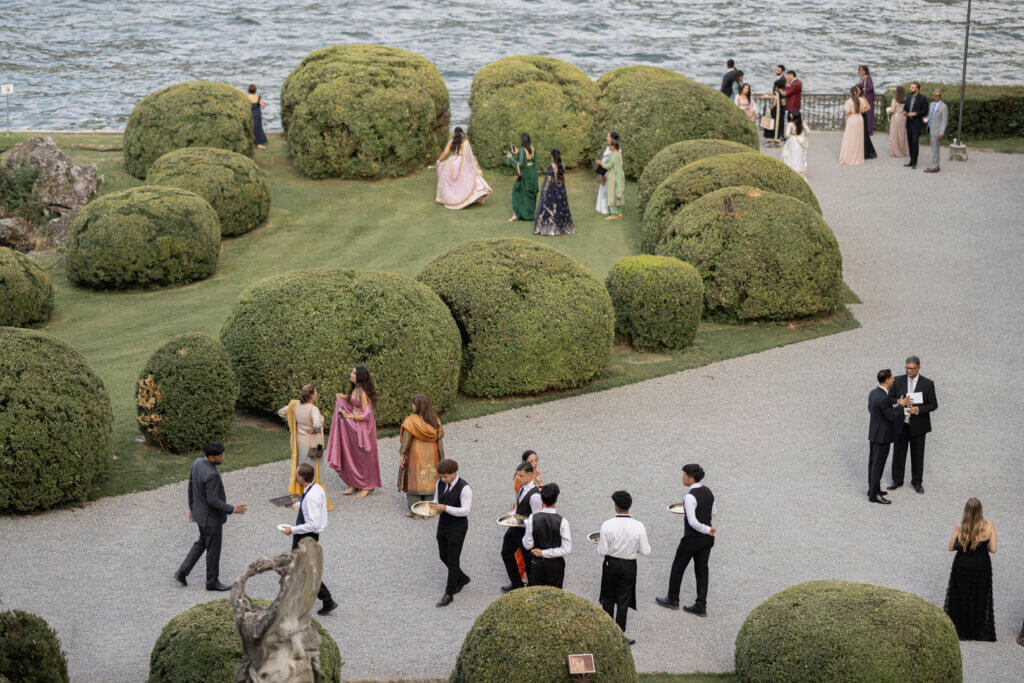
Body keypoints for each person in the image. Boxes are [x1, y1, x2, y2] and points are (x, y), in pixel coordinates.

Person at [174, 442, 246, 590]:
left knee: (201, 543)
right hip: (211, 519)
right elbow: (213, 501)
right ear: (212, 457)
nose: (223, 457)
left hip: (200, 515)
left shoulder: (197, 463)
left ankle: (182, 572)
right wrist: (233, 509)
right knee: (213, 550)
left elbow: (191, 485)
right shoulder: (212, 474)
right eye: (220, 456)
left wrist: (192, 507)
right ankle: (212, 582)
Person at [656, 464, 716, 616]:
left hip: (692, 539)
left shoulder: (689, 497)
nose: (682, 478)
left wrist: (705, 529)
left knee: (678, 567)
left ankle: (673, 599)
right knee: (702, 571)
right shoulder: (709, 491)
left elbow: (693, 522)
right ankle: (701, 605)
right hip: (707, 540)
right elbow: (713, 511)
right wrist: (708, 529)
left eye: (684, 476)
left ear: (691, 478)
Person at [280, 463, 338, 615]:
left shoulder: (311, 496)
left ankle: (323, 599)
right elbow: (307, 505)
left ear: (301, 478)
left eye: (297, 474)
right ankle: (321, 599)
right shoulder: (315, 488)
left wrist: (291, 530)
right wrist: (294, 505)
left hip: (305, 537)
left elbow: (313, 524)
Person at [597, 490, 650, 645]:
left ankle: (607, 633)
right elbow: (645, 550)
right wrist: (633, 548)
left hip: (611, 564)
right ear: (630, 506)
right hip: (629, 565)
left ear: (615, 507)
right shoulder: (638, 526)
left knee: (608, 598)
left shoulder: (607, 525)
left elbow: (602, 551)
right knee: (623, 599)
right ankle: (620, 634)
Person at [944, 498, 997, 641]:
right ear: (980, 510)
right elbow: (993, 549)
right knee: (980, 595)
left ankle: (961, 627)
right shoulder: (989, 526)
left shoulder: (960, 527)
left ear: (966, 511)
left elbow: (950, 547)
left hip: (962, 565)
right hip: (982, 566)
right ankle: (976, 629)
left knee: (961, 595)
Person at [326, 366, 381, 498]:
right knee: (353, 454)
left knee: (364, 456)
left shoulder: (363, 393)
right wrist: (344, 397)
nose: (351, 374)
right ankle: (355, 482)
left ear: (360, 377)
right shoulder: (355, 389)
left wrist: (348, 416)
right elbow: (354, 402)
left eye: (354, 373)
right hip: (354, 424)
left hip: (363, 427)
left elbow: (366, 414)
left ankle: (368, 486)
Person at [887, 356, 937, 494]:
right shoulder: (897, 381)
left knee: (918, 455)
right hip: (901, 424)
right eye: (907, 368)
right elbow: (889, 398)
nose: (909, 371)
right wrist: (899, 402)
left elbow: (933, 404)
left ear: (918, 368)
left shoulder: (927, 384)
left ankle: (917, 482)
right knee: (898, 454)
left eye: (912, 368)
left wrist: (918, 409)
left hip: (919, 426)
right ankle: (897, 480)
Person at [278, 384, 332, 510]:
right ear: (311, 395)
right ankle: (315, 496)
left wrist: (294, 422)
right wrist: (315, 429)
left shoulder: (295, 405)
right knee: (316, 468)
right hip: (316, 443)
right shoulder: (313, 409)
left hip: (301, 441)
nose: (317, 394)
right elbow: (317, 424)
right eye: (316, 392)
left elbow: (281, 412)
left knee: (303, 465)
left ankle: (301, 492)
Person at [433, 458, 471, 607]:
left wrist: (445, 508)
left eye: (445, 476)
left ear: (454, 473)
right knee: (443, 555)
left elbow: (465, 511)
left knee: (453, 560)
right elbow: (436, 500)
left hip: (457, 527)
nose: (443, 479)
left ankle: (449, 594)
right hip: (443, 524)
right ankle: (462, 578)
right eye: (441, 476)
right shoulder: (440, 483)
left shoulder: (465, 488)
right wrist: (433, 509)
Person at [399, 394, 444, 518]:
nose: (412, 405)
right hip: (432, 454)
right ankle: (427, 512)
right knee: (430, 481)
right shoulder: (435, 420)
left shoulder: (411, 421)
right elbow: (439, 438)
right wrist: (441, 457)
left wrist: (402, 453)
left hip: (416, 454)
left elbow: (406, 440)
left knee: (414, 481)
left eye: (413, 403)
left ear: (417, 406)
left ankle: (414, 512)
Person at [868, 369, 909, 504]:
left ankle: (873, 489)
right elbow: (892, 416)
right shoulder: (883, 398)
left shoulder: (874, 393)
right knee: (878, 465)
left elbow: (873, 409)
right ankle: (874, 495)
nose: (893, 379)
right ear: (886, 380)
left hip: (874, 433)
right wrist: (900, 406)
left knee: (873, 463)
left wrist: (895, 403)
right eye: (892, 378)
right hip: (883, 436)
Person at [500, 462, 542, 591]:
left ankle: (531, 588)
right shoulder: (522, 488)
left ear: (530, 475)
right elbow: (519, 507)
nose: (518, 478)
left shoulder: (535, 495)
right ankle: (516, 583)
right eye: (517, 475)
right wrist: (511, 515)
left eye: (521, 475)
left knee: (528, 560)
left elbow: (537, 517)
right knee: (506, 553)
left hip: (526, 531)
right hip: (515, 527)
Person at [523, 483, 571, 588]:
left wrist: (540, 552)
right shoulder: (563, 522)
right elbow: (566, 549)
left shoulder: (533, 519)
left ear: (542, 499)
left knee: (536, 593)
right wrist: (545, 553)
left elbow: (527, 544)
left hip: (537, 563)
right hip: (555, 564)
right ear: (556, 499)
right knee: (555, 594)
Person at [434, 126, 492, 209]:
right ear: (462, 133)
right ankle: (469, 196)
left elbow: (445, 153)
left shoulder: (451, 142)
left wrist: (439, 160)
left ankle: (452, 198)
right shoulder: (465, 142)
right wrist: (473, 165)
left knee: (451, 180)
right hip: (462, 162)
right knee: (467, 179)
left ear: (454, 133)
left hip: (451, 162)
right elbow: (470, 156)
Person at [534, 149, 577, 235]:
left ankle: (550, 228)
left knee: (549, 206)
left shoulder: (551, 166)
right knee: (560, 206)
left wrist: (545, 189)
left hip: (552, 188)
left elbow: (549, 179)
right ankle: (562, 227)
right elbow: (563, 177)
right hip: (561, 188)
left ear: (552, 156)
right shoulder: (562, 165)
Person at [505, 132, 538, 222]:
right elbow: (530, 161)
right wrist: (518, 152)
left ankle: (515, 214)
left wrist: (511, 158)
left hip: (524, 175)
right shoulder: (532, 148)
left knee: (516, 192)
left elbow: (521, 164)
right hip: (531, 174)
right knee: (527, 195)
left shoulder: (522, 150)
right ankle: (528, 214)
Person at [595, 139, 624, 220]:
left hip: (613, 176)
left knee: (611, 194)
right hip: (620, 175)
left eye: (609, 145)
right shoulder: (619, 154)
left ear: (613, 146)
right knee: (618, 192)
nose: (608, 147)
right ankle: (619, 212)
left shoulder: (614, 155)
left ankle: (614, 214)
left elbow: (607, 166)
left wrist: (600, 163)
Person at [839, 86, 867, 165]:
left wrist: (851, 112)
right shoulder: (861, 100)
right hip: (859, 119)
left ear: (851, 93)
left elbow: (847, 113)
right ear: (858, 93)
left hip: (852, 120)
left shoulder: (849, 101)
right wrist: (858, 112)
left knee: (850, 138)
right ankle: (857, 157)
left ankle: (849, 157)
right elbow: (864, 109)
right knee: (858, 138)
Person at [904, 82, 928, 169]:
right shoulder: (908, 98)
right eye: (910, 87)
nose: (910, 89)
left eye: (912, 87)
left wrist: (914, 114)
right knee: (910, 142)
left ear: (917, 89)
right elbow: (905, 108)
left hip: (917, 124)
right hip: (908, 123)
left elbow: (925, 111)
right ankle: (911, 161)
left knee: (914, 142)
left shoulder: (922, 98)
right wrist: (904, 112)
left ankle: (915, 162)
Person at [924, 89, 948, 174]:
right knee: (933, 149)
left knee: (935, 150)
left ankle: (935, 167)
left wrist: (941, 132)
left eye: (939, 96)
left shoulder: (944, 107)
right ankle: (936, 165)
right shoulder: (931, 104)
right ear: (933, 96)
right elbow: (931, 116)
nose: (937, 97)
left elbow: (944, 121)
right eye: (935, 95)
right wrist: (926, 120)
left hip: (937, 132)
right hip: (931, 130)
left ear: (941, 96)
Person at [763, 67, 787, 147]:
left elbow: (774, 103)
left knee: (774, 125)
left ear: (776, 86)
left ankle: (775, 140)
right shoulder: (784, 92)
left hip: (776, 111)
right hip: (782, 110)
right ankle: (778, 139)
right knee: (779, 125)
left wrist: (770, 109)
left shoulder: (777, 93)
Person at [780, 111, 809, 176]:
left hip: (792, 140)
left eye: (791, 114)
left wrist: (792, 135)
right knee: (799, 156)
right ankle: (799, 169)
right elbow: (807, 131)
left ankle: (790, 169)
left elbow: (787, 135)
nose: (790, 114)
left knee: (790, 155)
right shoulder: (802, 122)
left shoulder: (790, 124)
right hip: (800, 140)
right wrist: (802, 135)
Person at [887, 86, 910, 158]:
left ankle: (896, 152)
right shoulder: (906, 99)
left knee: (894, 134)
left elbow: (893, 110)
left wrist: (888, 111)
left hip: (896, 117)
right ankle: (902, 151)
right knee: (902, 134)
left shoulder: (894, 100)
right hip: (903, 117)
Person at [856, 84, 877, 160]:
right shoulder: (855, 97)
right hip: (856, 117)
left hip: (863, 116)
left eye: (857, 89)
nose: (856, 90)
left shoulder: (863, 97)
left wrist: (862, 111)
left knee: (864, 134)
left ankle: (867, 152)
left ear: (860, 90)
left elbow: (868, 107)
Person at [247, 85, 268, 150]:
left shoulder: (246, 96)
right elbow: (263, 106)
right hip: (257, 115)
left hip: (249, 114)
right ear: (255, 90)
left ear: (248, 90)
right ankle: (259, 144)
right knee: (258, 128)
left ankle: (249, 142)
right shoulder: (258, 97)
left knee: (249, 127)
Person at [858, 66, 876, 136]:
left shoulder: (868, 77)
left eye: (862, 70)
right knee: (863, 113)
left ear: (865, 71)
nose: (860, 72)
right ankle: (863, 129)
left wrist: (864, 89)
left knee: (869, 114)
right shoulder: (861, 78)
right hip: (862, 98)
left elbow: (871, 87)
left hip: (868, 98)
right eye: (859, 70)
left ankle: (869, 131)